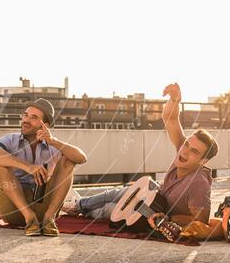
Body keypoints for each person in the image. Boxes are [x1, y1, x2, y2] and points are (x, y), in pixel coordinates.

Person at [66, 82, 218, 230]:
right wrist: (174, 100)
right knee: (120, 192)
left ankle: (79, 208)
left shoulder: (199, 182)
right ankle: (77, 205)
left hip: (155, 213)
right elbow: (170, 119)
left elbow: (201, 219)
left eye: (194, 152)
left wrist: (168, 218)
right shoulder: (183, 149)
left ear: (203, 161)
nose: (185, 151)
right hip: (156, 196)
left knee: (109, 210)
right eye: (187, 145)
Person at [0, 98, 88, 237]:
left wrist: (53, 141)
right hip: (13, 209)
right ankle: (30, 218)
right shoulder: (11, 140)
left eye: (33, 117)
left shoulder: (52, 146)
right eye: (25, 115)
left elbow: (81, 158)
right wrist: (28, 167)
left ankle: (49, 219)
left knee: (69, 161)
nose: (26, 120)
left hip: (42, 206)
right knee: (1, 163)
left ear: (44, 125)